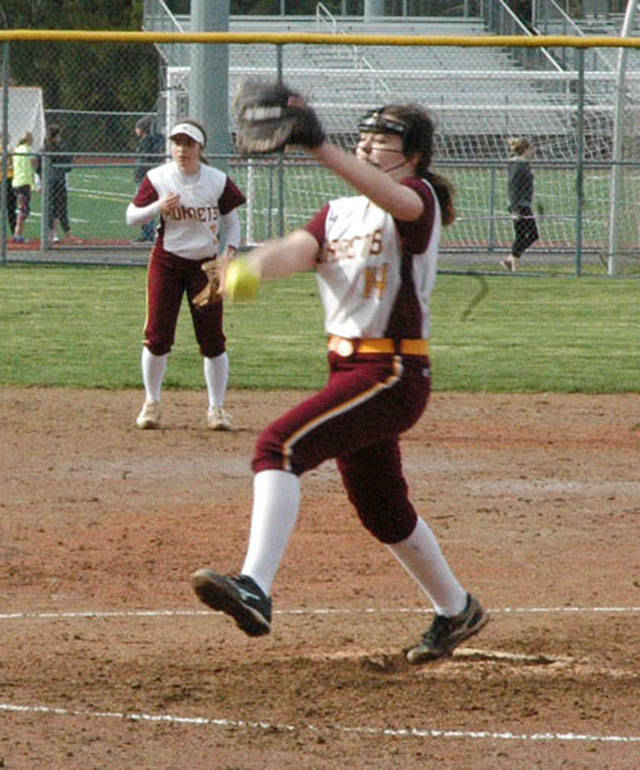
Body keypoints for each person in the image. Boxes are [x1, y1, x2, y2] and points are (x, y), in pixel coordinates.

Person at [191, 101, 489, 663]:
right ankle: (457, 610)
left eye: (387, 138)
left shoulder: (416, 200)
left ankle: (255, 586)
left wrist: (317, 146)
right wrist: (243, 272)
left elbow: (396, 198)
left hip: (392, 371)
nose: (371, 144)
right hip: (349, 369)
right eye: (366, 135)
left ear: (416, 155)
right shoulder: (338, 214)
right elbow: (300, 251)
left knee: (278, 446)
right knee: (382, 509)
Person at [125, 118, 246, 431]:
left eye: (189, 143)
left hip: (205, 266)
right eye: (177, 142)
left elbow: (232, 222)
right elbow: (131, 217)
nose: (182, 149)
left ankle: (217, 409)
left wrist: (228, 256)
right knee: (157, 335)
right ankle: (151, 403)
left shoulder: (217, 181)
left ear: (199, 147)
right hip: (167, 262)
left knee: (213, 339)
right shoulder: (159, 178)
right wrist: (157, 207)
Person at [501, 137, 539, 272]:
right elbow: (513, 187)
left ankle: (511, 261)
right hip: (520, 205)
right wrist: (515, 209)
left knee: (521, 235)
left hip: (523, 203)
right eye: (531, 149)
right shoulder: (518, 165)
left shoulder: (522, 164)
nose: (533, 152)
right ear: (525, 150)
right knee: (533, 234)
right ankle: (511, 259)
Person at [38, 124, 78, 244]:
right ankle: (66, 234)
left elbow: (38, 167)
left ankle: (50, 234)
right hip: (58, 181)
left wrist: (40, 180)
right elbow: (69, 164)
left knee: (50, 208)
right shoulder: (60, 148)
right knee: (60, 208)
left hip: (48, 181)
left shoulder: (44, 148)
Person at [133, 116, 165, 243]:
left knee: (145, 205)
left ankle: (148, 233)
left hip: (145, 177)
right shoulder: (146, 141)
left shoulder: (147, 142)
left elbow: (146, 160)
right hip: (143, 176)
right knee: (144, 205)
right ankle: (147, 232)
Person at [11, 130, 37, 243]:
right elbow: (34, 163)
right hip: (25, 182)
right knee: (24, 210)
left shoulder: (17, 149)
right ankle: (18, 234)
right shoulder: (28, 150)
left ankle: (17, 233)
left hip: (16, 181)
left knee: (22, 208)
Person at [0, 132, 17, 237]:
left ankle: (14, 232)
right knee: (7, 207)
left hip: (10, 179)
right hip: (2, 179)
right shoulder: (5, 150)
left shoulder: (11, 150)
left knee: (11, 207)